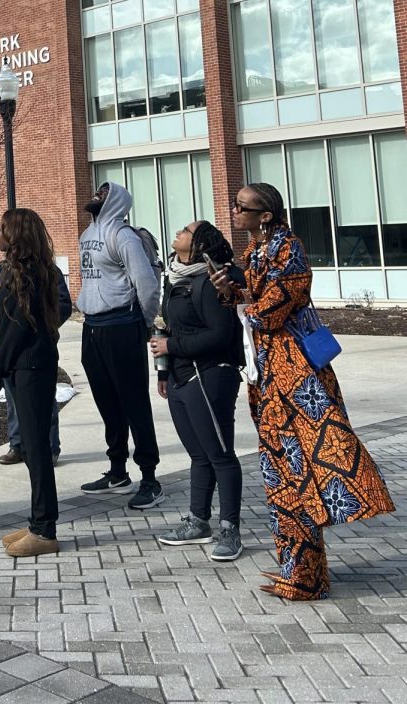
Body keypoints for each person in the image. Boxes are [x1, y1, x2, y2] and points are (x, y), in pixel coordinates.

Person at [211, 182, 395, 601]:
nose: (235, 211)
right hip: (269, 375)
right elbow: (254, 303)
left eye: (243, 206)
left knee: (299, 470)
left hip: (296, 376)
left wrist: (243, 305)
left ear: (266, 215)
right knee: (279, 472)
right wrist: (231, 293)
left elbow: (272, 312)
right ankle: (296, 569)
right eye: (234, 205)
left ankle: (306, 577)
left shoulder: (287, 249)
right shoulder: (256, 251)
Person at [149, 220, 244, 562]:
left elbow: (220, 335)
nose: (177, 231)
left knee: (220, 454)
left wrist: (171, 345)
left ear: (199, 243)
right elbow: (165, 327)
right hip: (178, 377)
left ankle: (230, 530)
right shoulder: (173, 278)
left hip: (210, 377)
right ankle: (198, 521)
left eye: (186, 230)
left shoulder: (211, 281)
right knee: (199, 455)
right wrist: (163, 370)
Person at [77, 182, 163, 509]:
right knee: (107, 404)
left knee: (134, 404)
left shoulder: (124, 236)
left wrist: (143, 321)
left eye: (101, 193)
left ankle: (150, 478)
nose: (95, 195)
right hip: (93, 327)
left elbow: (147, 282)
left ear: (114, 201)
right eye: (96, 191)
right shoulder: (87, 234)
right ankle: (117, 472)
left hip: (122, 324)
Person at [0, 209, 63, 558]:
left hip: (31, 367)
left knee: (36, 448)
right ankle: (37, 520)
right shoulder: (23, 270)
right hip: (26, 366)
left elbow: (19, 325)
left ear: (17, 235)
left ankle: (44, 528)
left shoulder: (30, 273)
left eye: (3, 229)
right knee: (33, 449)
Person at [0, 268, 72, 468]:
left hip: (38, 351)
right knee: (13, 401)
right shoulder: (3, 270)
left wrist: (43, 328)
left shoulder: (47, 271)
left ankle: (49, 448)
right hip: (11, 350)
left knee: (44, 402)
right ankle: (17, 445)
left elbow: (64, 305)